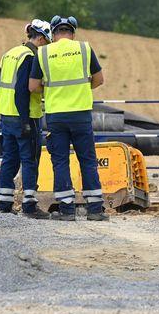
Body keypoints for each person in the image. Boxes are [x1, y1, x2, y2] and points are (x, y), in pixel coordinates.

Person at [29, 16, 108, 222]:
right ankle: (95, 210)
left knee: (61, 161)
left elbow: (32, 86)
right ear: (73, 33)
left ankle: (66, 210)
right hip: (81, 114)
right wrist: (80, 89)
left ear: (53, 34)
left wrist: (52, 91)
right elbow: (99, 80)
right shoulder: (84, 48)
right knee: (88, 160)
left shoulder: (44, 52)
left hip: (56, 116)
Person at [0, 19, 52, 219]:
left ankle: (4, 203)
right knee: (29, 160)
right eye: (47, 42)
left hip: (6, 115)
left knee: (9, 159)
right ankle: (29, 206)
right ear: (42, 38)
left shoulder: (10, 53)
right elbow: (22, 90)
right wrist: (26, 120)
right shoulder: (29, 57)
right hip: (25, 116)